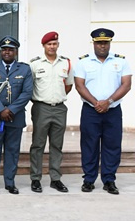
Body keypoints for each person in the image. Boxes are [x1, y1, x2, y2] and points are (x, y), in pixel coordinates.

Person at [74, 28, 132, 195]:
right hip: (90, 111)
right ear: (93, 43)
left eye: (105, 42)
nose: (102, 46)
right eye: (99, 42)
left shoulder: (121, 61)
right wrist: (96, 103)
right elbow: (79, 85)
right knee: (89, 145)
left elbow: (126, 84)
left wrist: (109, 102)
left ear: (109, 43)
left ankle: (109, 180)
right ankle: (89, 180)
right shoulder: (83, 62)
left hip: (112, 111)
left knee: (112, 145)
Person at [0, 36, 33, 195]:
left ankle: (10, 182)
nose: (7, 52)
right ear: (1, 51)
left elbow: (27, 92)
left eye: (10, 49)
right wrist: (1, 110)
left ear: (16, 51)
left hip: (15, 118)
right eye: (4, 49)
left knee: (12, 151)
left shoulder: (24, 69)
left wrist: (11, 110)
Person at [28, 31, 74, 193]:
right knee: (38, 144)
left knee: (57, 145)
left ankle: (55, 178)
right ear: (43, 46)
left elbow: (68, 86)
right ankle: (35, 178)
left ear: (58, 45)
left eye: (54, 44)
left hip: (60, 108)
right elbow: (29, 86)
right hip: (41, 108)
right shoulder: (35, 64)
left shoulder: (66, 63)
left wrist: (57, 97)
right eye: (49, 44)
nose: (52, 47)